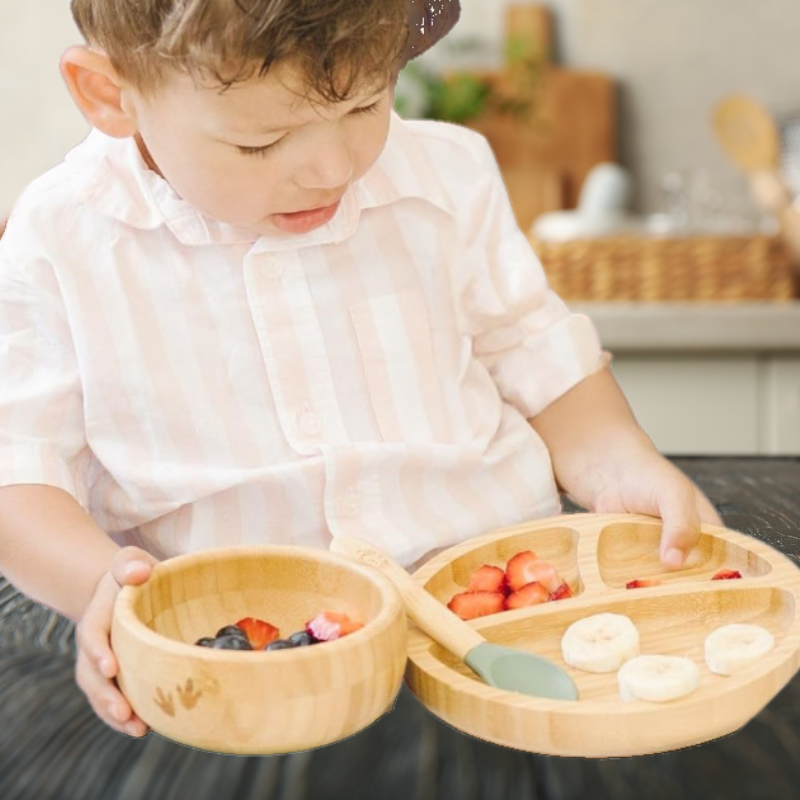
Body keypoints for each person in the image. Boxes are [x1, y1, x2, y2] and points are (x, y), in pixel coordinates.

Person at [0, 0, 721, 743]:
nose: (333, 167)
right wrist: (103, 590)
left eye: (367, 103)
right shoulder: (56, 239)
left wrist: (618, 464)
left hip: (508, 599)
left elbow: (537, 354)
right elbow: (21, 476)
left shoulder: (449, 173)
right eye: (262, 142)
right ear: (110, 96)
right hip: (249, 657)